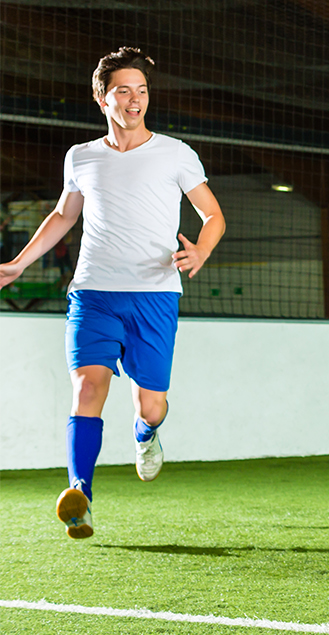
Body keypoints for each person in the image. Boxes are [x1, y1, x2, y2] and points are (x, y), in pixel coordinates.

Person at [0, 47, 227, 540]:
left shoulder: (176, 153)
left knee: (151, 405)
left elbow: (213, 216)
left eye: (142, 90)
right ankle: (79, 495)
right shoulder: (81, 157)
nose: (135, 100)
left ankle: (147, 435)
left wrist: (201, 252)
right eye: (124, 90)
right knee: (88, 387)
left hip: (154, 296)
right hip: (93, 294)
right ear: (102, 97)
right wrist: (19, 263)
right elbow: (64, 216)